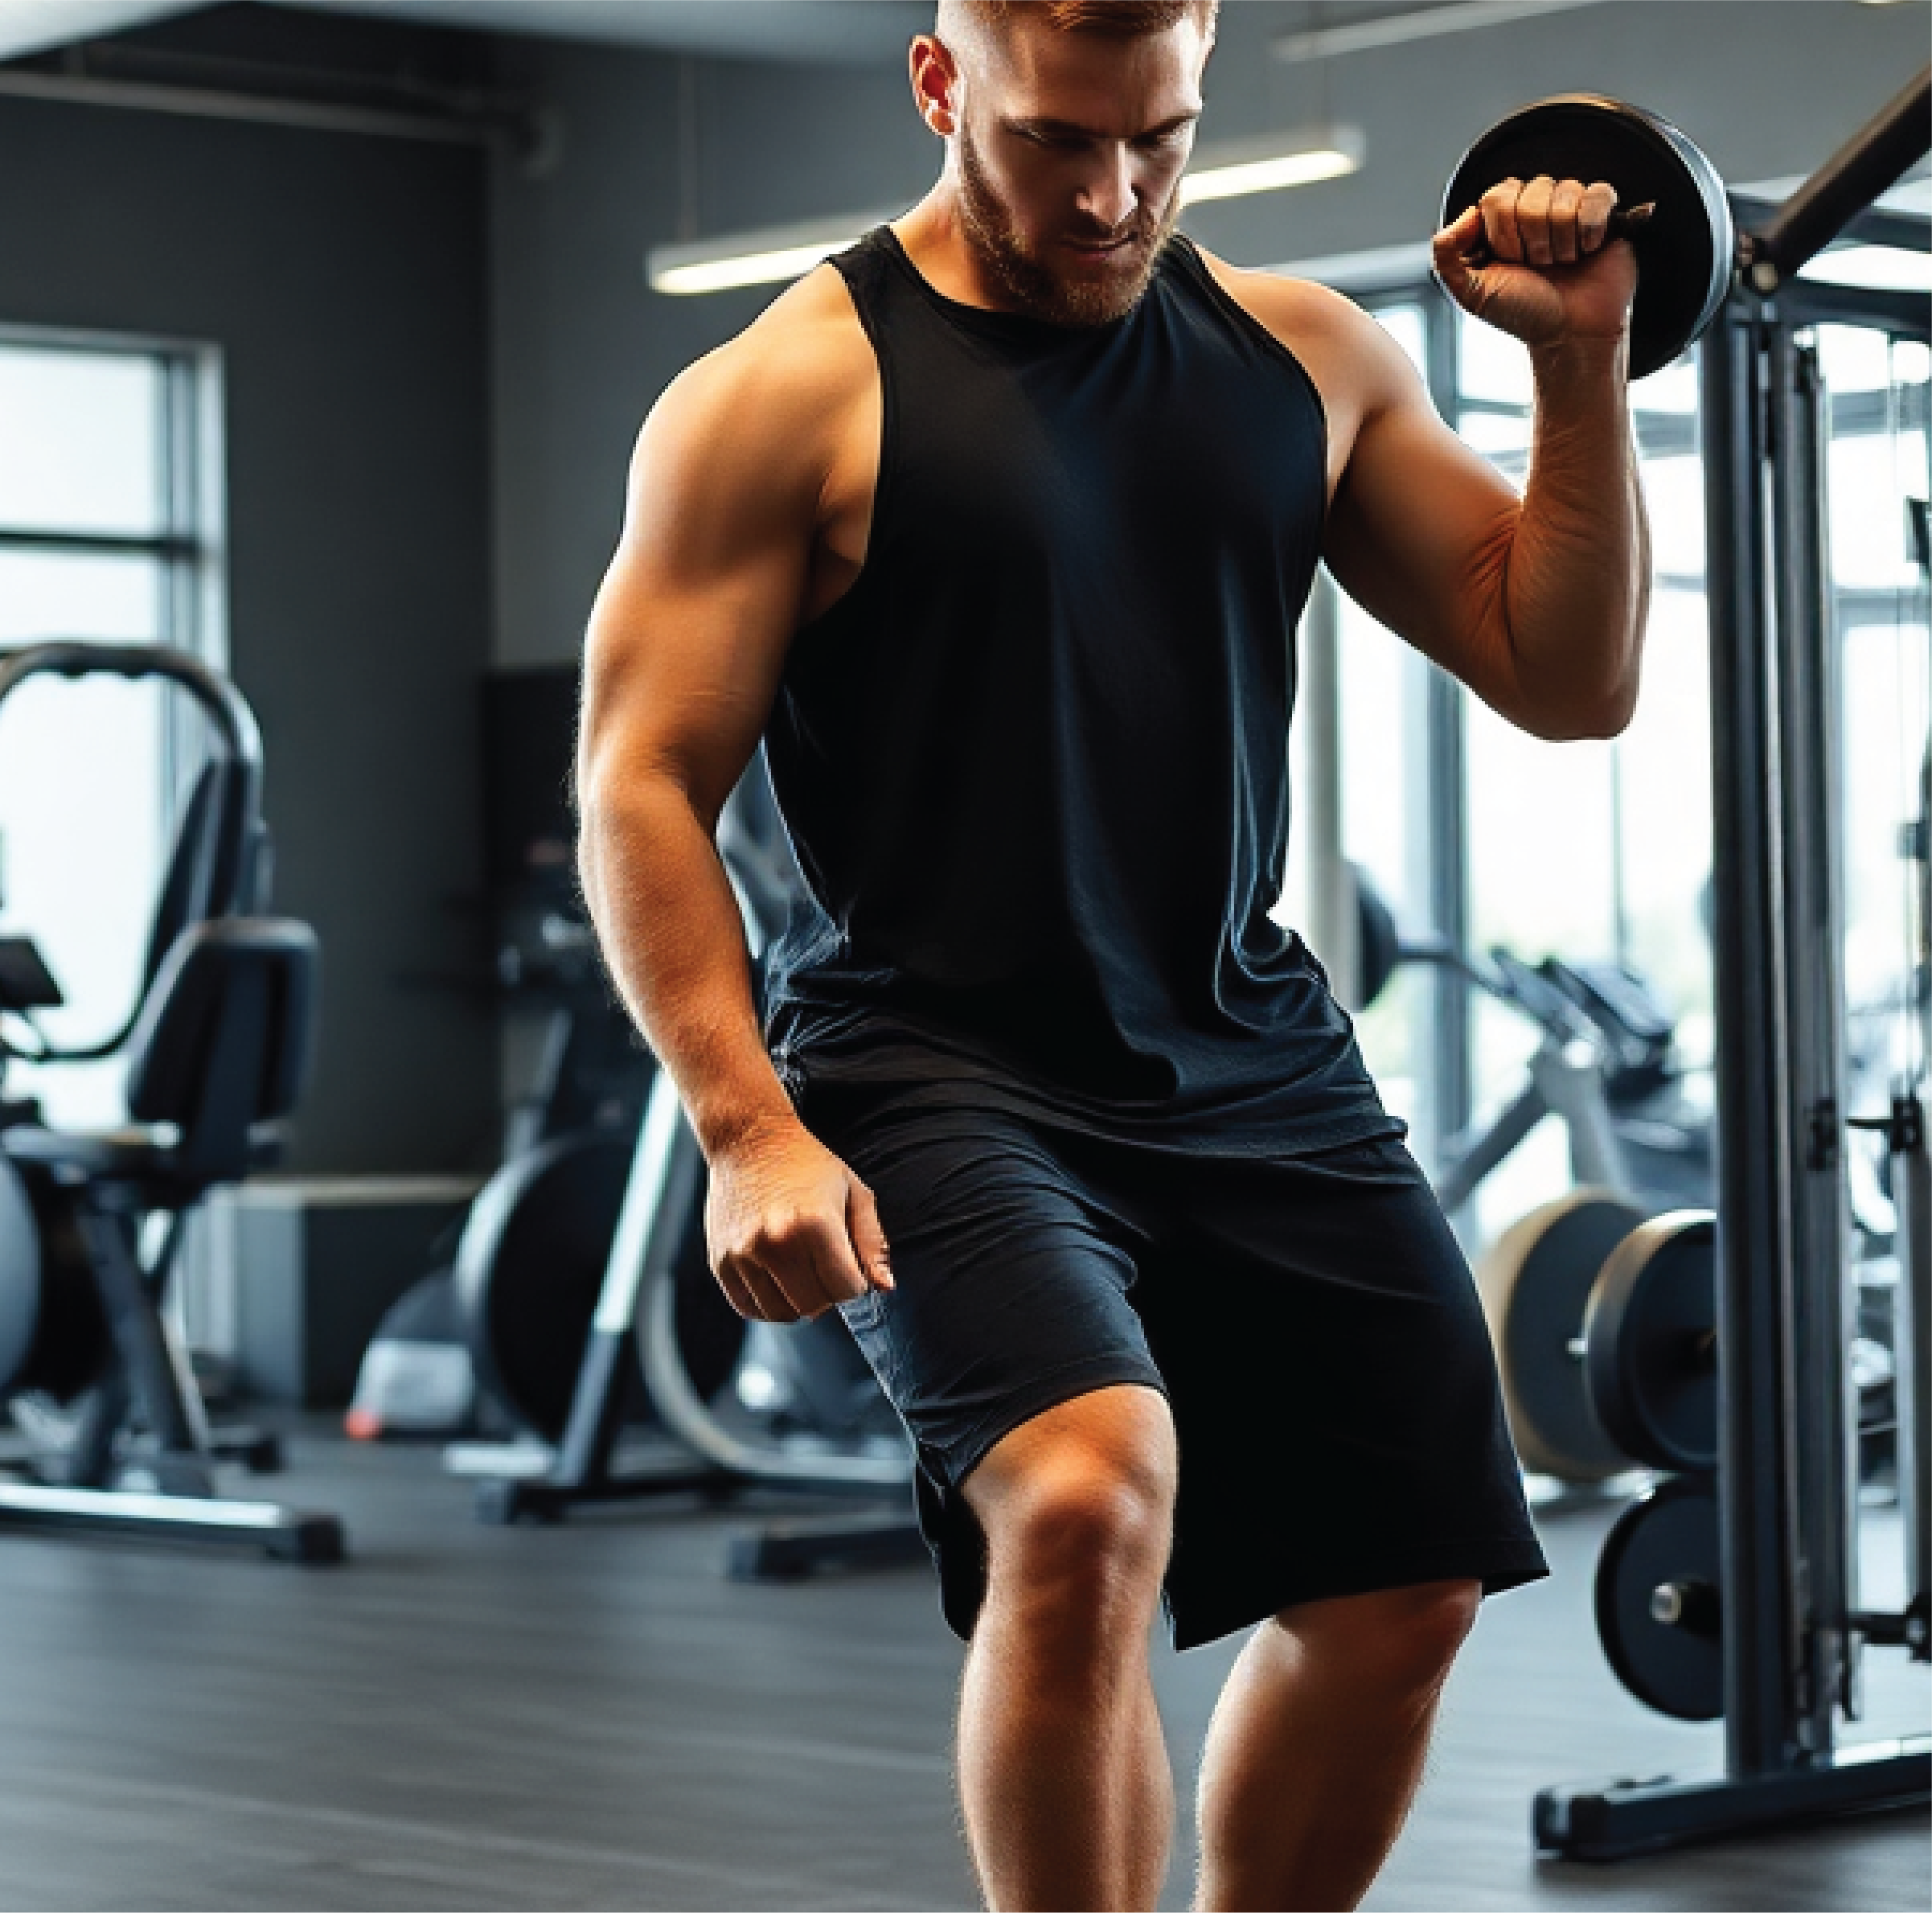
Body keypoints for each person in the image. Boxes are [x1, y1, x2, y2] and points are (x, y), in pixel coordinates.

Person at [576, 2, 1643, 1908]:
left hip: (1248, 1048)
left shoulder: (1297, 357)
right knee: (1081, 1505)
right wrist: (743, 1126)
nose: (1114, 191)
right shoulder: (786, 390)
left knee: (1402, 1585)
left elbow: (1564, 676)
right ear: (938, 86)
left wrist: (1579, 377)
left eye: (1159, 137)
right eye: (1059, 141)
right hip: (930, 1062)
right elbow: (639, 775)